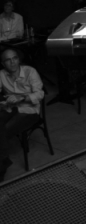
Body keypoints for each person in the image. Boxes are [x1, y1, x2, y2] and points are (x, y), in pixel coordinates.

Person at [0, 46, 45, 181]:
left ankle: (2, 165)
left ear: (18, 59)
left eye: (14, 58)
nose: (12, 62)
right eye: (8, 60)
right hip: (11, 107)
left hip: (29, 110)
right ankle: (3, 161)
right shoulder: (1, 74)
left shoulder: (30, 72)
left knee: (3, 131)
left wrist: (22, 97)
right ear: (3, 63)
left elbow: (40, 94)